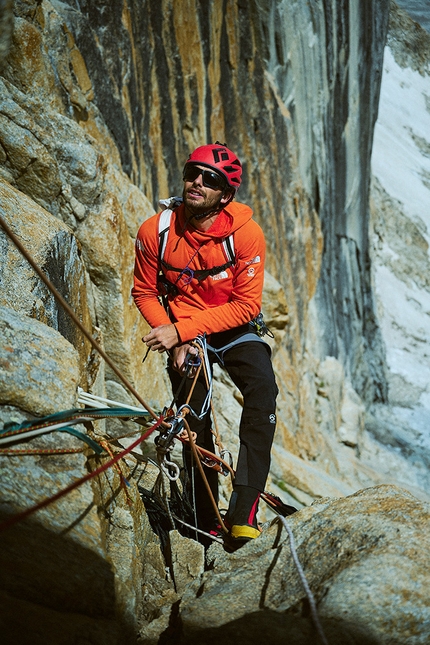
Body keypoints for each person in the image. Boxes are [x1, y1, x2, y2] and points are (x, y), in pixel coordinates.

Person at [132, 142, 278, 549]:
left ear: (225, 195)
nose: (197, 182)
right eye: (192, 172)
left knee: (263, 388)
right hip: (184, 328)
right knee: (193, 416)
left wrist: (180, 332)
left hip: (233, 325)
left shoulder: (245, 235)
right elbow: (144, 292)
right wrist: (174, 332)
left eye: (210, 179)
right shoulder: (156, 232)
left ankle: (245, 508)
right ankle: (206, 516)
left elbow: (246, 304)